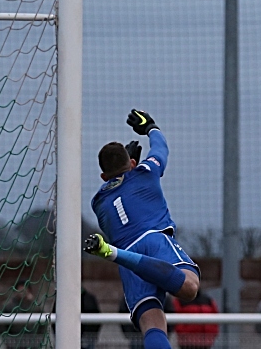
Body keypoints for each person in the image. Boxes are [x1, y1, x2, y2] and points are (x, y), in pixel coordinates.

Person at [84, 109, 200, 349]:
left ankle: (113, 253)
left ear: (103, 175)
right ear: (133, 162)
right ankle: (112, 253)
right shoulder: (145, 172)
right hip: (154, 240)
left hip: (129, 259)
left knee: (153, 323)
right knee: (190, 287)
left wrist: (127, 168)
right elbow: (161, 149)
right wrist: (151, 128)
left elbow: (117, 188)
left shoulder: (98, 202)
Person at [1, 280, 46, 349]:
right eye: (20, 289)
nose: (23, 292)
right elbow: (1, 326)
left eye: (25, 289)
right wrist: (8, 342)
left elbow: (43, 323)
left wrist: (39, 338)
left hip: (32, 343)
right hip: (14, 343)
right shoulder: (8, 306)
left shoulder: (35, 306)